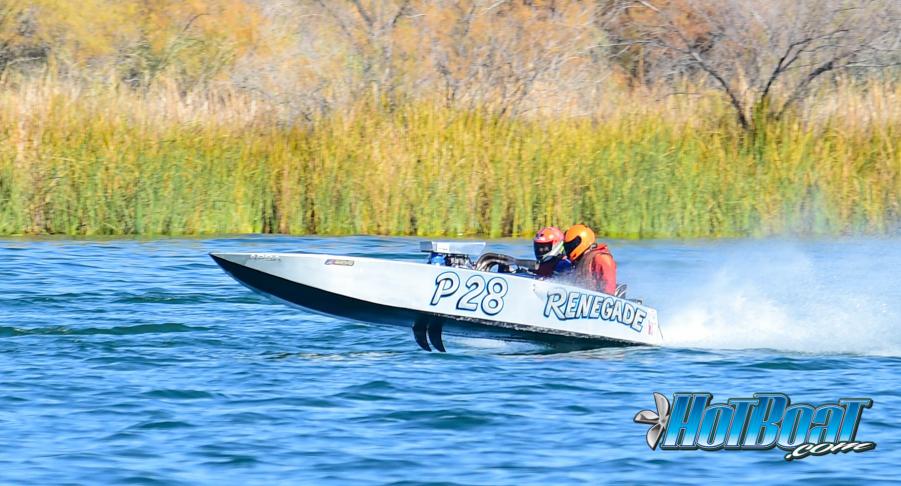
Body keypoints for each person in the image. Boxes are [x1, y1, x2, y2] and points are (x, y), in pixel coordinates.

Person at [563, 224, 617, 295]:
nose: (569, 249)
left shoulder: (601, 258)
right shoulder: (578, 260)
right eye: (567, 246)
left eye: (571, 245)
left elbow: (609, 292)